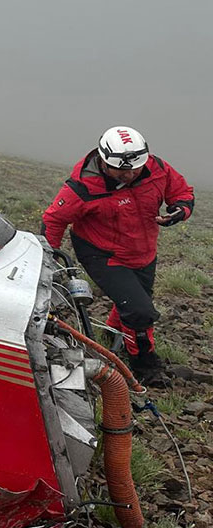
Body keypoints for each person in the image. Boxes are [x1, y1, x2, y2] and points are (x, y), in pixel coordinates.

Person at [42, 126, 194, 387]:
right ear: (103, 161)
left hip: (143, 251)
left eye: (135, 168)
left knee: (131, 302)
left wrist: (179, 210)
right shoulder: (83, 188)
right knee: (139, 311)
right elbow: (53, 220)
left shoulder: (156, 168)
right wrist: (47, 263)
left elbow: (181, 192)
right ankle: (144, 366)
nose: (130, 174)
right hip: (102, 254)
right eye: (122, 170)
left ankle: (113, 338)